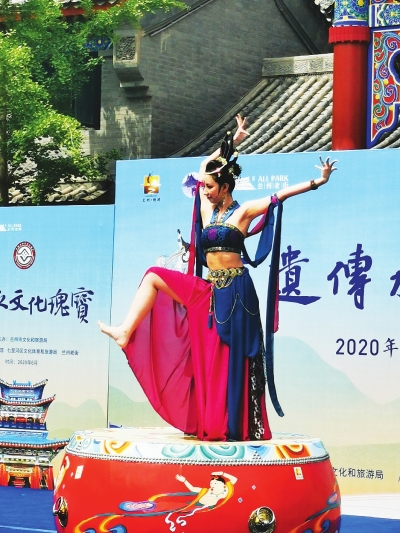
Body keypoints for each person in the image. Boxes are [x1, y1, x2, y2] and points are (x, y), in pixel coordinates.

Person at [99, 115, 337, 442]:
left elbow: (279, 196)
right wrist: (232, 143)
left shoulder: (243, 212)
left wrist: (318, 181)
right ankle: (126, 330)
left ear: (225, 187)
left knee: (225, 358)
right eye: (205, 186)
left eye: (210, 187)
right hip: (209, 289)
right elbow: (204, 167)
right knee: (154, 276)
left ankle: (228, 423)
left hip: (237, 291)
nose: (205, 190)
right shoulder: (207, 211)